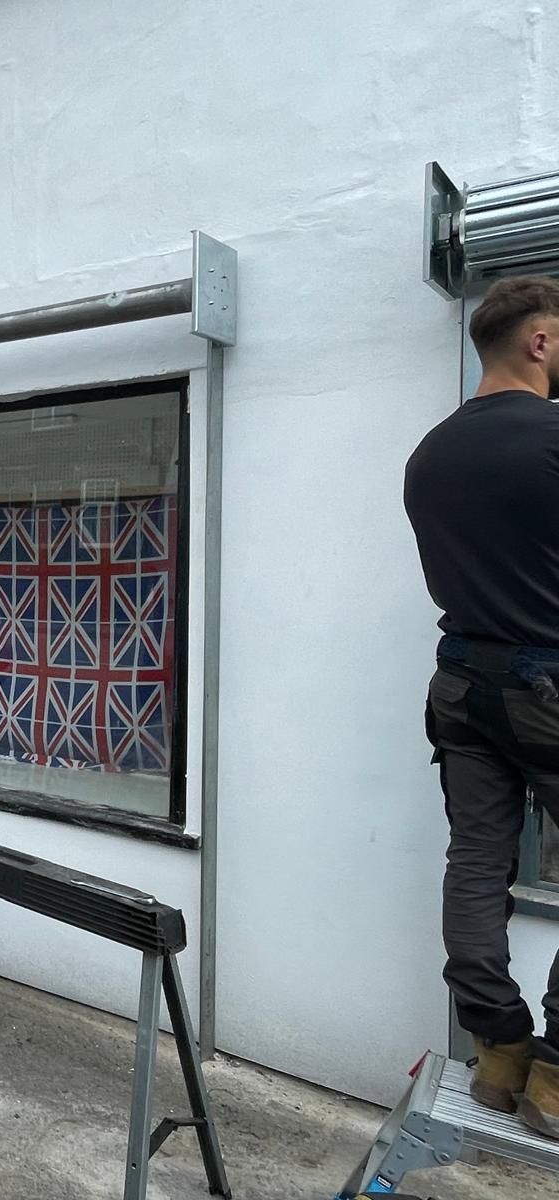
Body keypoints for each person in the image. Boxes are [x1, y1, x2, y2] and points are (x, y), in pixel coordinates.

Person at [404, 275, 559, 1138]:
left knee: (476, 863)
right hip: (548, 680)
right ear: (539, 341)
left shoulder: (428, 454)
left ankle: (499, 1050)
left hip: (460, 681)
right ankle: (556, 1079)